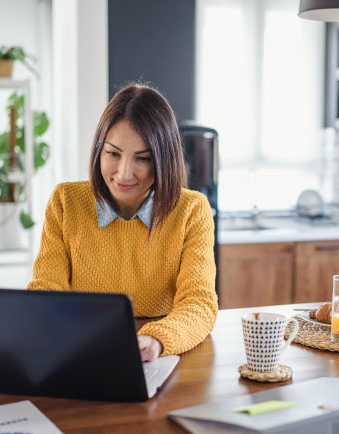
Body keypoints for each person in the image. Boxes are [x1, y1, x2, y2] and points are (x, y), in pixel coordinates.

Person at [27, 83, 218, 362]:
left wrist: (156, 338)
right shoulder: (65, 201)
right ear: (98, 150)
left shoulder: (191, 209)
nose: (124, 174)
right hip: (80, 349)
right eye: (113, 154)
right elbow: (47, 292)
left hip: (159, 356)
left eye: (142, 159)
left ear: (164, 161)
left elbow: (200, 303)